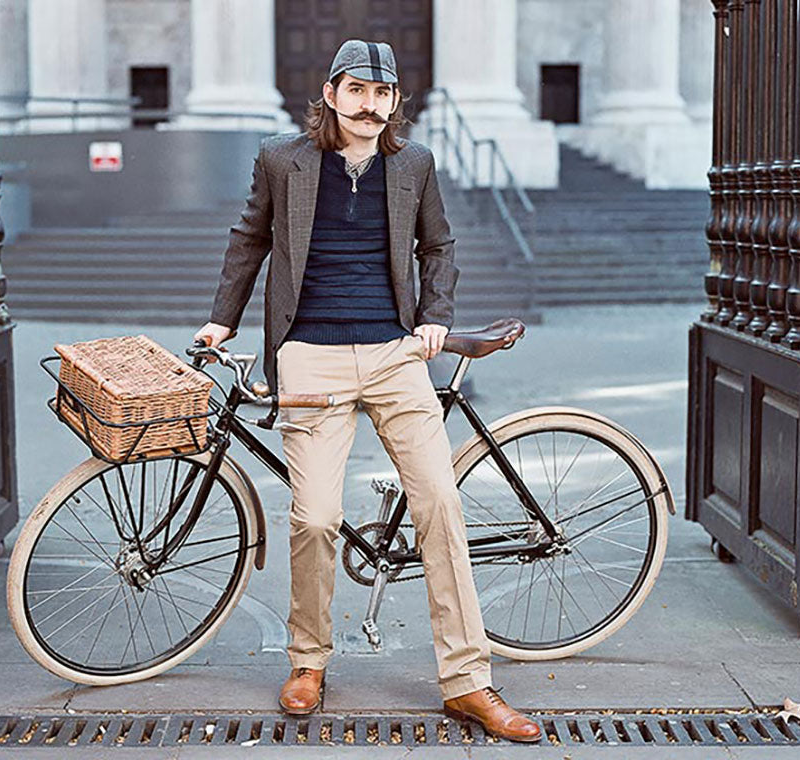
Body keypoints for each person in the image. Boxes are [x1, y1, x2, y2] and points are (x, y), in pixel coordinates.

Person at [194, 39, 541, 744]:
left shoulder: (413, 164)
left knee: (440, 503)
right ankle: (308, 661)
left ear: (393, 103)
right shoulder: (280, 159)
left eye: (382, 95)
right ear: (329, 94)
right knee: (316, 516)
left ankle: (469, 681)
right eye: (356, 91)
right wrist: (220, 320)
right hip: (309, 356)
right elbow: (249, 239)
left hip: (394, 354)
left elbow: (437, 246)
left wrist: (436, 317)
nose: (369, 106)